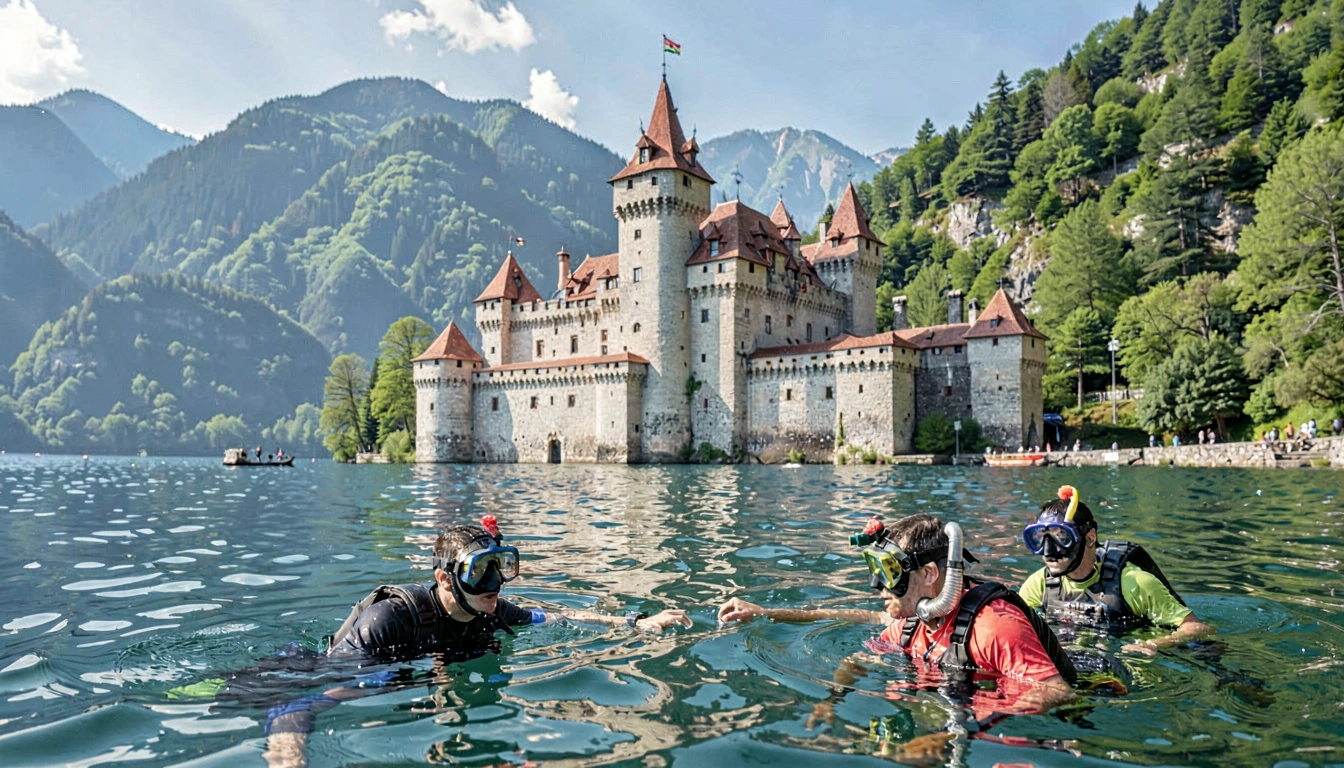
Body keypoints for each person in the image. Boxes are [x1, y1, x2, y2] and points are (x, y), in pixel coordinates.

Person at [260, 516, 691, 758]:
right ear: (444, 579)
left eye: (500, 566)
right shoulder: (390, 619)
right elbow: (306, 698)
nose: (495, 583)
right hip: (320, 669)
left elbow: (555, 617)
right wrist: (289, 750)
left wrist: (632, 623)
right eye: (479, 571)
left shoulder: (493, 610)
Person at [718, 514, 1076, 740]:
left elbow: (1055, 692)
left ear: (930, 574)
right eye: (876, 571)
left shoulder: (994, 625)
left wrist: (957, 733)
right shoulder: (911, 621)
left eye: (890, 573)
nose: (878, 587)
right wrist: (832, 700)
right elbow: (860, 659)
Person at [1018, 486, 1212, 655]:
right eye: (1040, 539)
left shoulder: (1134, 583)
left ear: (1090, 538)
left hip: (1125, 654)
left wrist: (1154, 644)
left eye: (1062, 537)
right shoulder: (1039, 584)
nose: (1048, 550)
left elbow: (1197, 628)